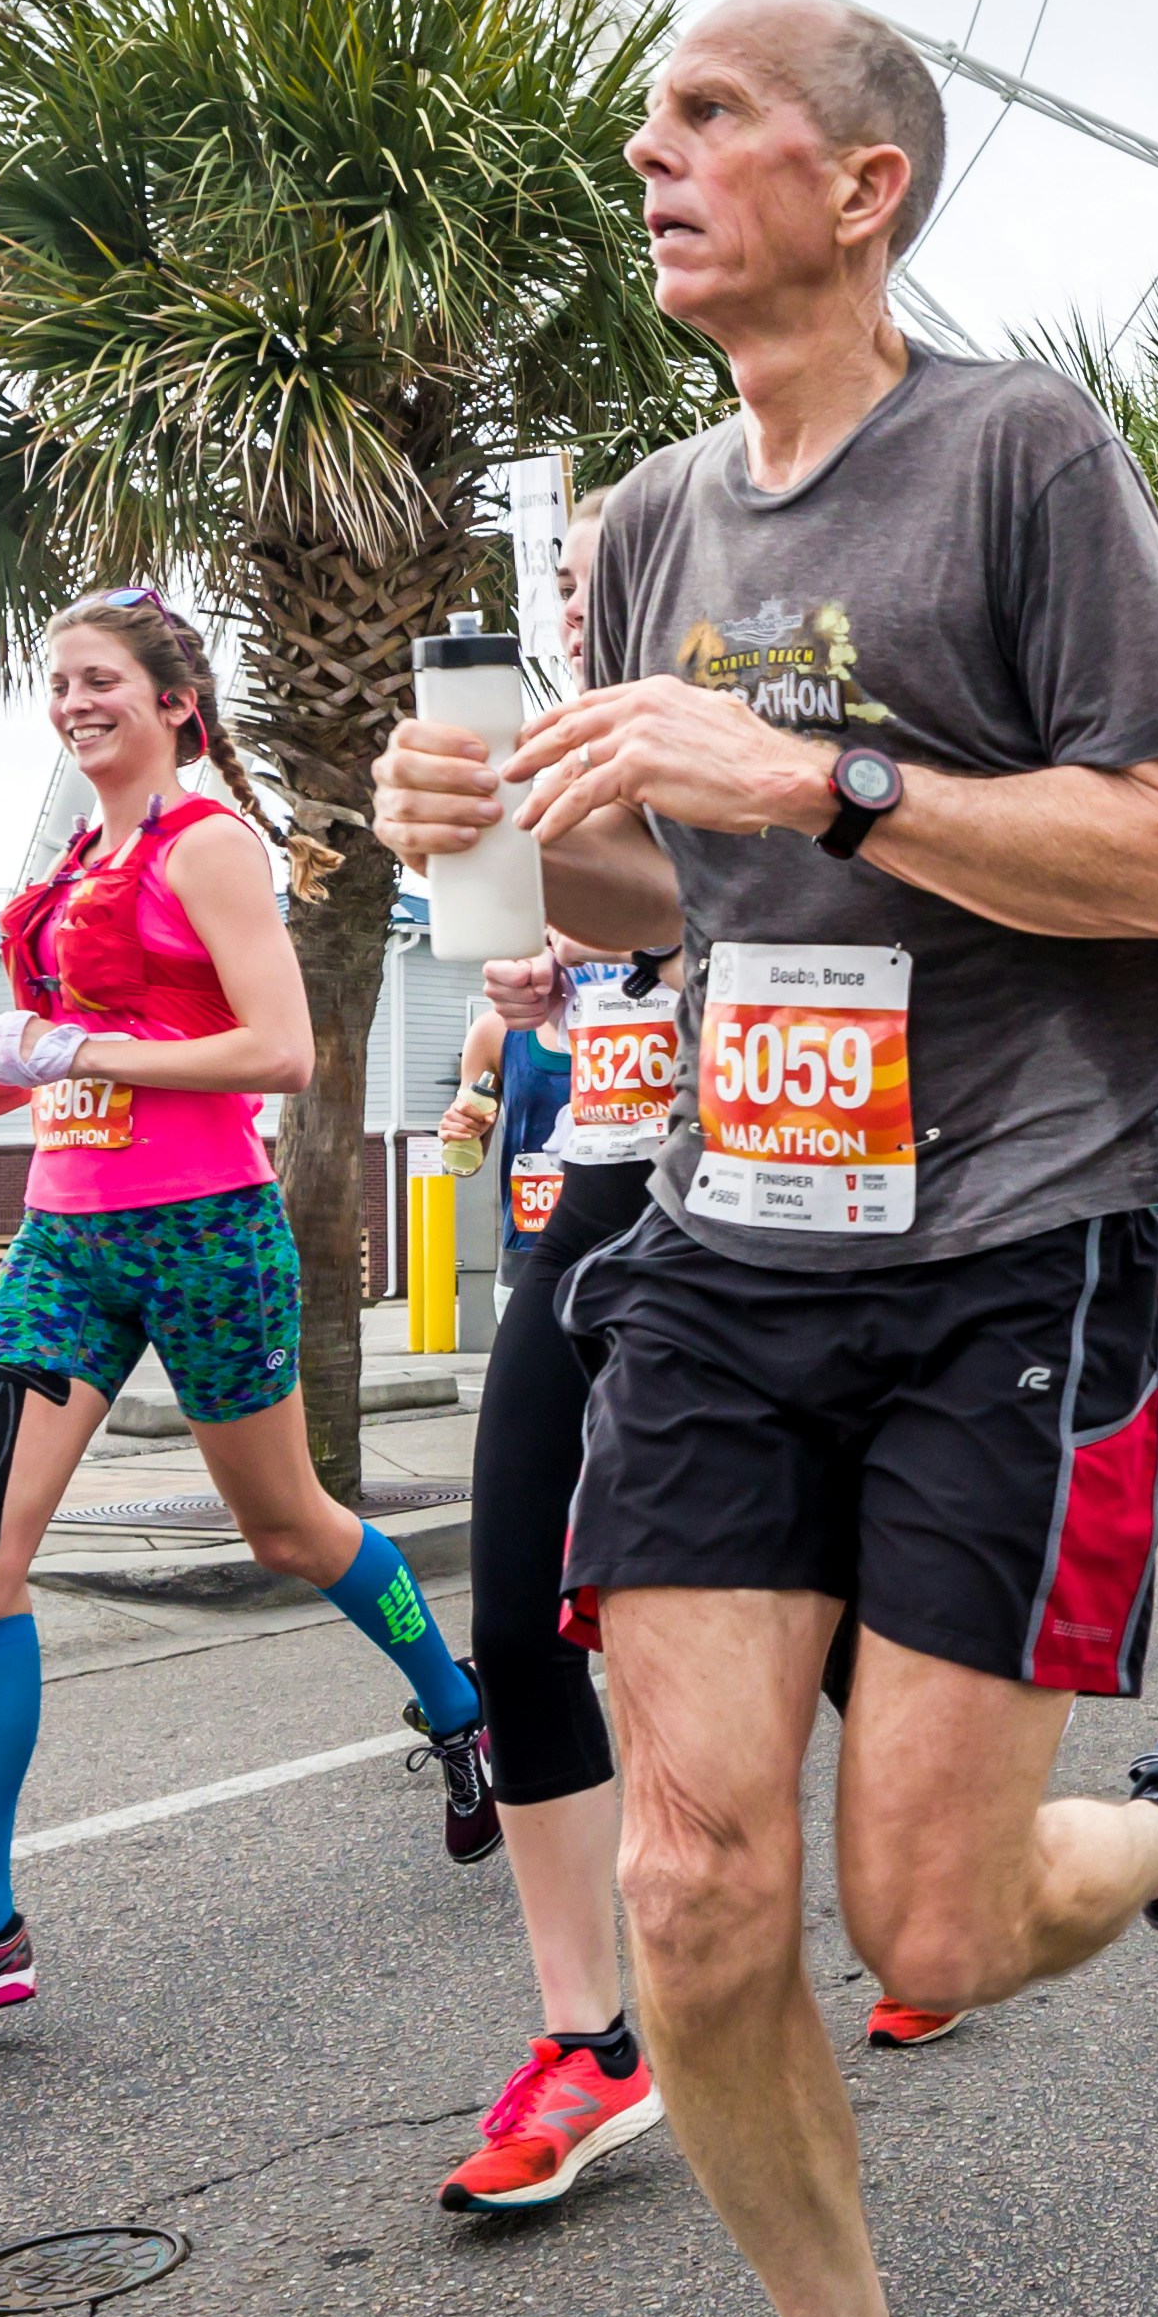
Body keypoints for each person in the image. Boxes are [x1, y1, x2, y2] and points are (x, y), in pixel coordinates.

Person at [371, 0, 1158, 2317]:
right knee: (694, 1882)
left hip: (1004, 1237)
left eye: (707, 121)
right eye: (642, 132)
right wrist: (497, 833)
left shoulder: (1016, 454)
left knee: (927, 1915)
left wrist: (832, 782)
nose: (653, 162)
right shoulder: (647, 520)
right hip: (728, 1234)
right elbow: (659, 907)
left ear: (867, 182)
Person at [0, 596, 491, 2044]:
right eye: (56, 683)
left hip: (206, 1236)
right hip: (67, 1240)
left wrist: (71, 1048)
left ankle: (457, 1699)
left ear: (177, 700)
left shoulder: (211, 846)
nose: (72, 701)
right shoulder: (75, 865)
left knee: (292, 1530)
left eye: (100, 679)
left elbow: (281, 1051)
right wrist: (18, 1086)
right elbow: (101, 1054)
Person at [427, 930, 679, 2206]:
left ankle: (934, 1897)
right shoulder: (588, 772)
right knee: (520, 1628)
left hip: (766, 1205)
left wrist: (668, 939)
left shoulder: (808, 740)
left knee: (817, 1607)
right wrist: (551, 975)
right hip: (592, 1200)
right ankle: (592, 2044)